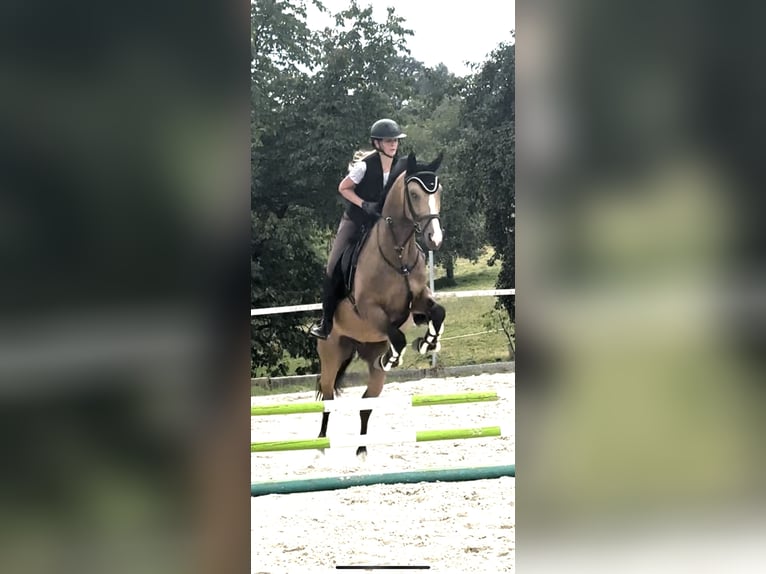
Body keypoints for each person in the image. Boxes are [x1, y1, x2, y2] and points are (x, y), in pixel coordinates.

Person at [309, 118, 407, 339]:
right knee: (333, 266)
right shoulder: (364, 166)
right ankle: (326, 322)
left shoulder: (400, 165)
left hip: (382, 223)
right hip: (355, 220)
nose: (393, 144)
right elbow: (343, 188)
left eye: (395, 141)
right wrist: (363, 204)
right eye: (389, 141)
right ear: (377, 143)